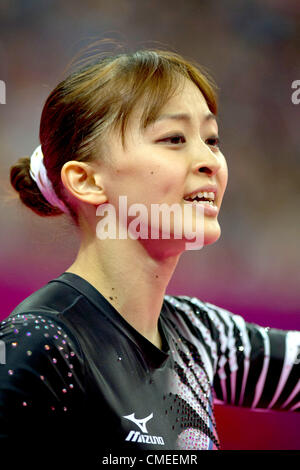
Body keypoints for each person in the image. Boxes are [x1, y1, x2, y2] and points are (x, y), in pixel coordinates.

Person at [1, 48, 299, 460]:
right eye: (174, 139)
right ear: (86, 180)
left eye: (212, 139)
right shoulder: (41, 346)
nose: (209, 161)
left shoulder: (200, 335)